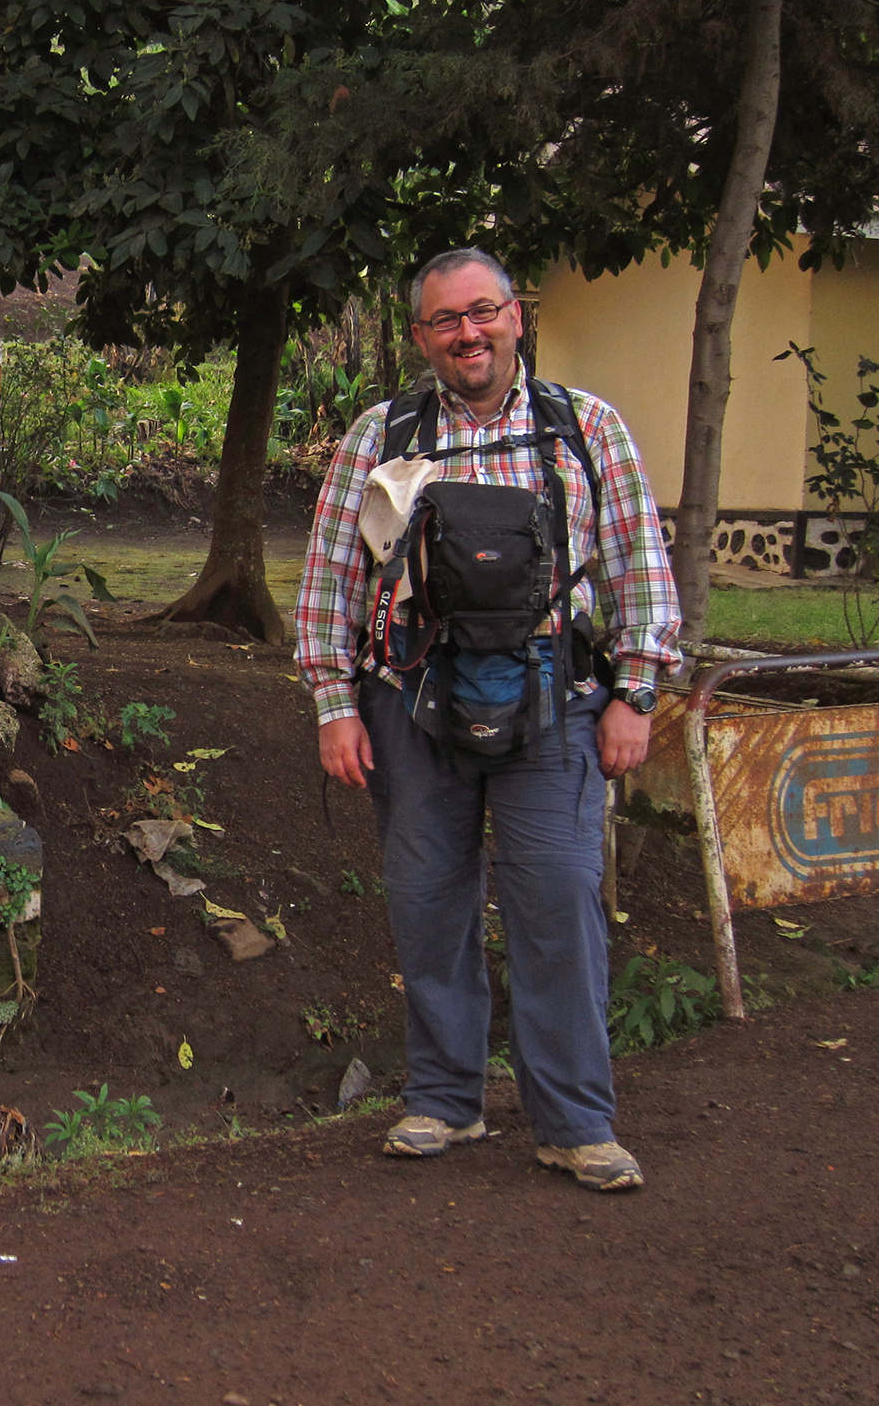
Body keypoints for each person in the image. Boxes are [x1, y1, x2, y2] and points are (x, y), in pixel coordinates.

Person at [294, 248, 682, 1191]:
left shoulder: (584, 429)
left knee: (557, 898)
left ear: (517, 316)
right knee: (428, 901)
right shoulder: (380, 436)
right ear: (421, 336)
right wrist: (335, 706)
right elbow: (330, 581)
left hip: (555, 698)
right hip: (409, 701)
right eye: (445, 321)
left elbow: (638, 565)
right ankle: (443, 1100)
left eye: (483, 312)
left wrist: (635, 694)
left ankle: (577, 1122)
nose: (467, 333)